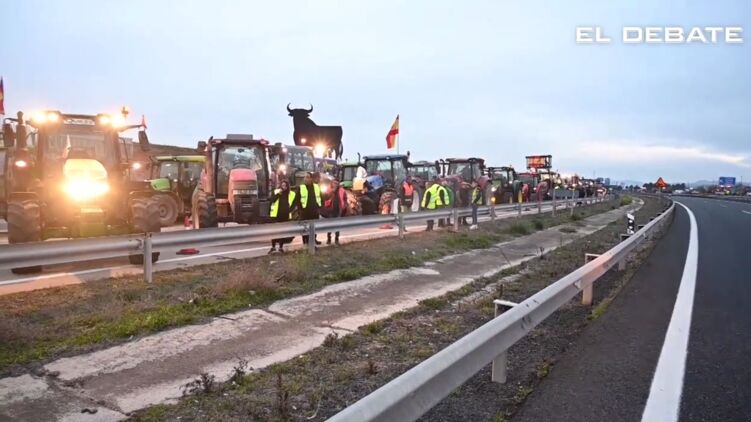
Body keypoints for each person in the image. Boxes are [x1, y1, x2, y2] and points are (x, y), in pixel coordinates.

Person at [269, 180, 296, 253]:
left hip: (285, 215)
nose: (283, 187)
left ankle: (281, 247)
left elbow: (294, 202)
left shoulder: (291, 194)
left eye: (285, 185)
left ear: (287, 187)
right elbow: (272, 200)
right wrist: (278, 194)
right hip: (276, 215)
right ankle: (273, 247)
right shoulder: (276, 192)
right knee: (274, 231)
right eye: (282, 185)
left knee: (282, 232)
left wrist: (290, 210)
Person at [299, 172, 322, 246]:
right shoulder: (301, 187)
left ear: (311, 179)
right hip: (305, 212)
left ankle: (312, 243)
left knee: (314, 228)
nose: (305, 179)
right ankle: (305, 243)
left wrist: (320, 207)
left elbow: (321, 197)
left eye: (307, 177)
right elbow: (296, 200)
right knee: (305, 229)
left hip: (314, 212)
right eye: (305, 177)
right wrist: (299, 209)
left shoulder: (316, 187)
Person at [322, 179, 347, 245]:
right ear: (332, 183)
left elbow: (345, 199)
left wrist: (344, 206)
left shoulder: (342, 190)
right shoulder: (329, 190)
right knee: (329, 226)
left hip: (338, 210)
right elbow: (325, 197)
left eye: (336, 183)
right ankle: (329, 239)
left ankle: (336, 239)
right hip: (330, 210)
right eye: (334, 183)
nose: (335, 184)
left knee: (337, 226)